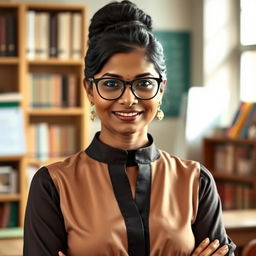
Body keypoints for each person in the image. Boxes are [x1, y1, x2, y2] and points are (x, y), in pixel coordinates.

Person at [23, 1, 236, 255]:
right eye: (111, 84)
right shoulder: (52, 186)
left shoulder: (196, 182)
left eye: (144, 82)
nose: (129, 99)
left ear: (162, 88)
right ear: (89, 89)